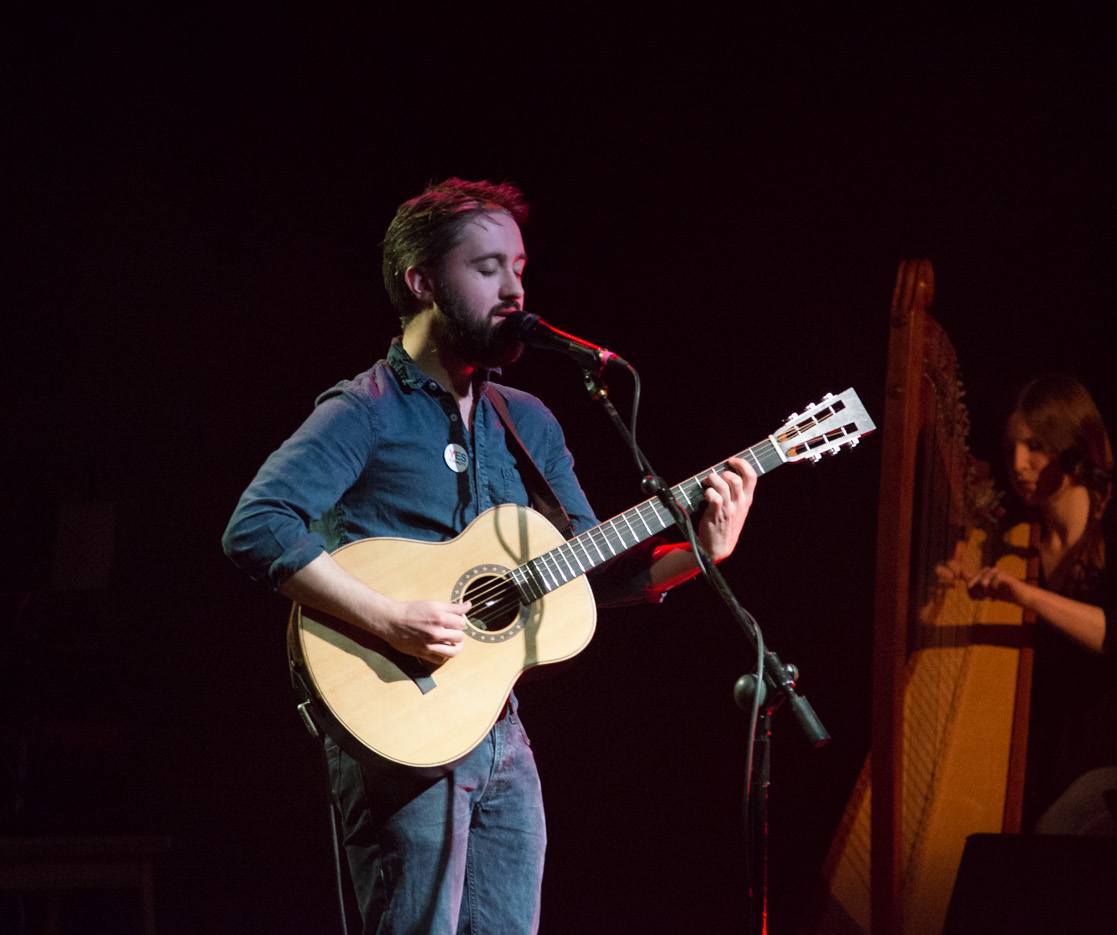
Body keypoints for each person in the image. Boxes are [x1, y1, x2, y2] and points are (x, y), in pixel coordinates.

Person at [221, 178, 758, 933]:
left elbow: (587, 578)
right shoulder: (365, 408)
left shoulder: (528, 420)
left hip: (499, 730)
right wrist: (391, 615)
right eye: (487, 268)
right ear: (423, 281)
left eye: (520, 267)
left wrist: (698, 552)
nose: (515, 289)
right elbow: (257, 525)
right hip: (399, 731)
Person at [939, 374, 1117, 835]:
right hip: (1053, 762)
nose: (1018, 463)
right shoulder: (1009, 543)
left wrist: (1028, 595)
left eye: (1036, 447)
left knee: (1056, 832)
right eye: (1012, 447)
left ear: (1074, 451)